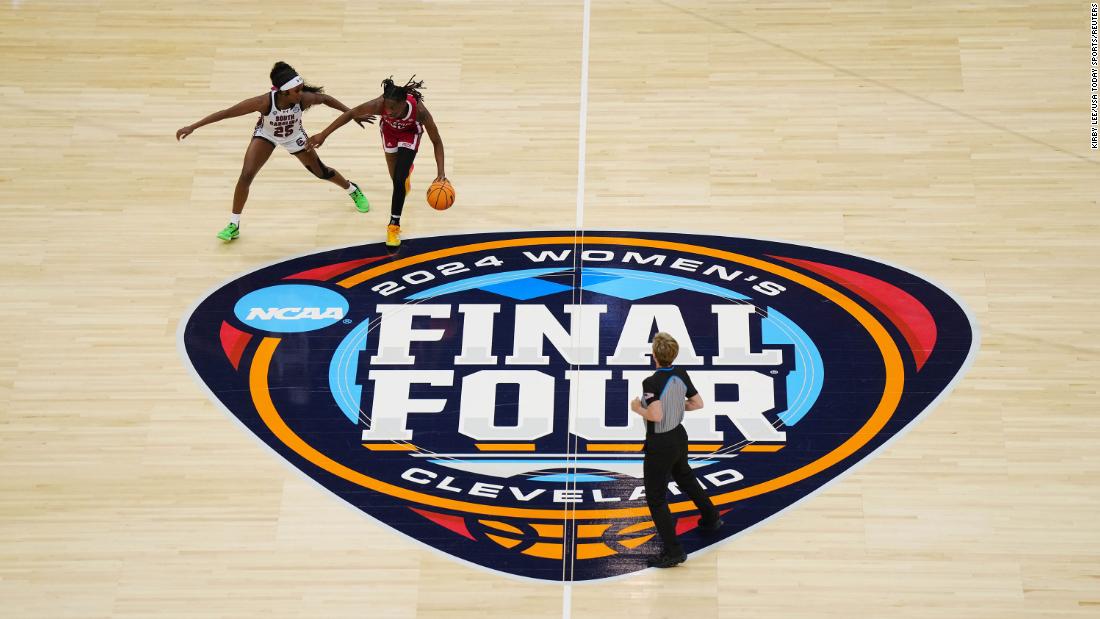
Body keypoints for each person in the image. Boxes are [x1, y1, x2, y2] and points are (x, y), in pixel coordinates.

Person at [175, 61, 373, 241]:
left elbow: (326, 99)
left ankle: (352, 190)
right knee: (246, 175)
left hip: (294, 136)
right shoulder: (262, 102)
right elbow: (226, 113)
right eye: (297, 91)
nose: (301, 93)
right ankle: (233, 224)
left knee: (322, 173)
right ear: (283, 92)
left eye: (301, 89)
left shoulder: (304, 98)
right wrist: (193, 126)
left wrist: (352, 114)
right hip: (267, 136)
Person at [308, 76, 446, 248]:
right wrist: (324, 134)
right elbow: (350, 113)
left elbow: (437, 141)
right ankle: (406, 171)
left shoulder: (420, 112)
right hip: (388, 132)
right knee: (395, 176)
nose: (388, 111)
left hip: (410, 133)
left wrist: (441, 173)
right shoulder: (378, 105)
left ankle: (393, 225)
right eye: (387, 107)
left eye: (394, 108)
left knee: (398, 181)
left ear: (404, 102)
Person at [630, 332, 724, 568]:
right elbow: (697, 403)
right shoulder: (681, 373)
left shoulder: (650, 382)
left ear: (654, 355)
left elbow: (655, 415)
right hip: (679, 437)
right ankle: (711, 517)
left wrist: (636, 408)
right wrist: (676, 407)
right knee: (686, 477)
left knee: (656, 498)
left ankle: (674, 551)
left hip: (660, 444)